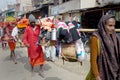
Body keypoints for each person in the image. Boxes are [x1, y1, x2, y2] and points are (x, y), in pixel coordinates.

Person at [88, 14, 120, 80]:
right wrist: (97, 76)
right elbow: (93, 60)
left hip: (115, 74)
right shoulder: (96, 38)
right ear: (103, 25)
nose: (113, 28)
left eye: (114, 25)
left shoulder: (115, 37)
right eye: (110, 25)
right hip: (102, 74)